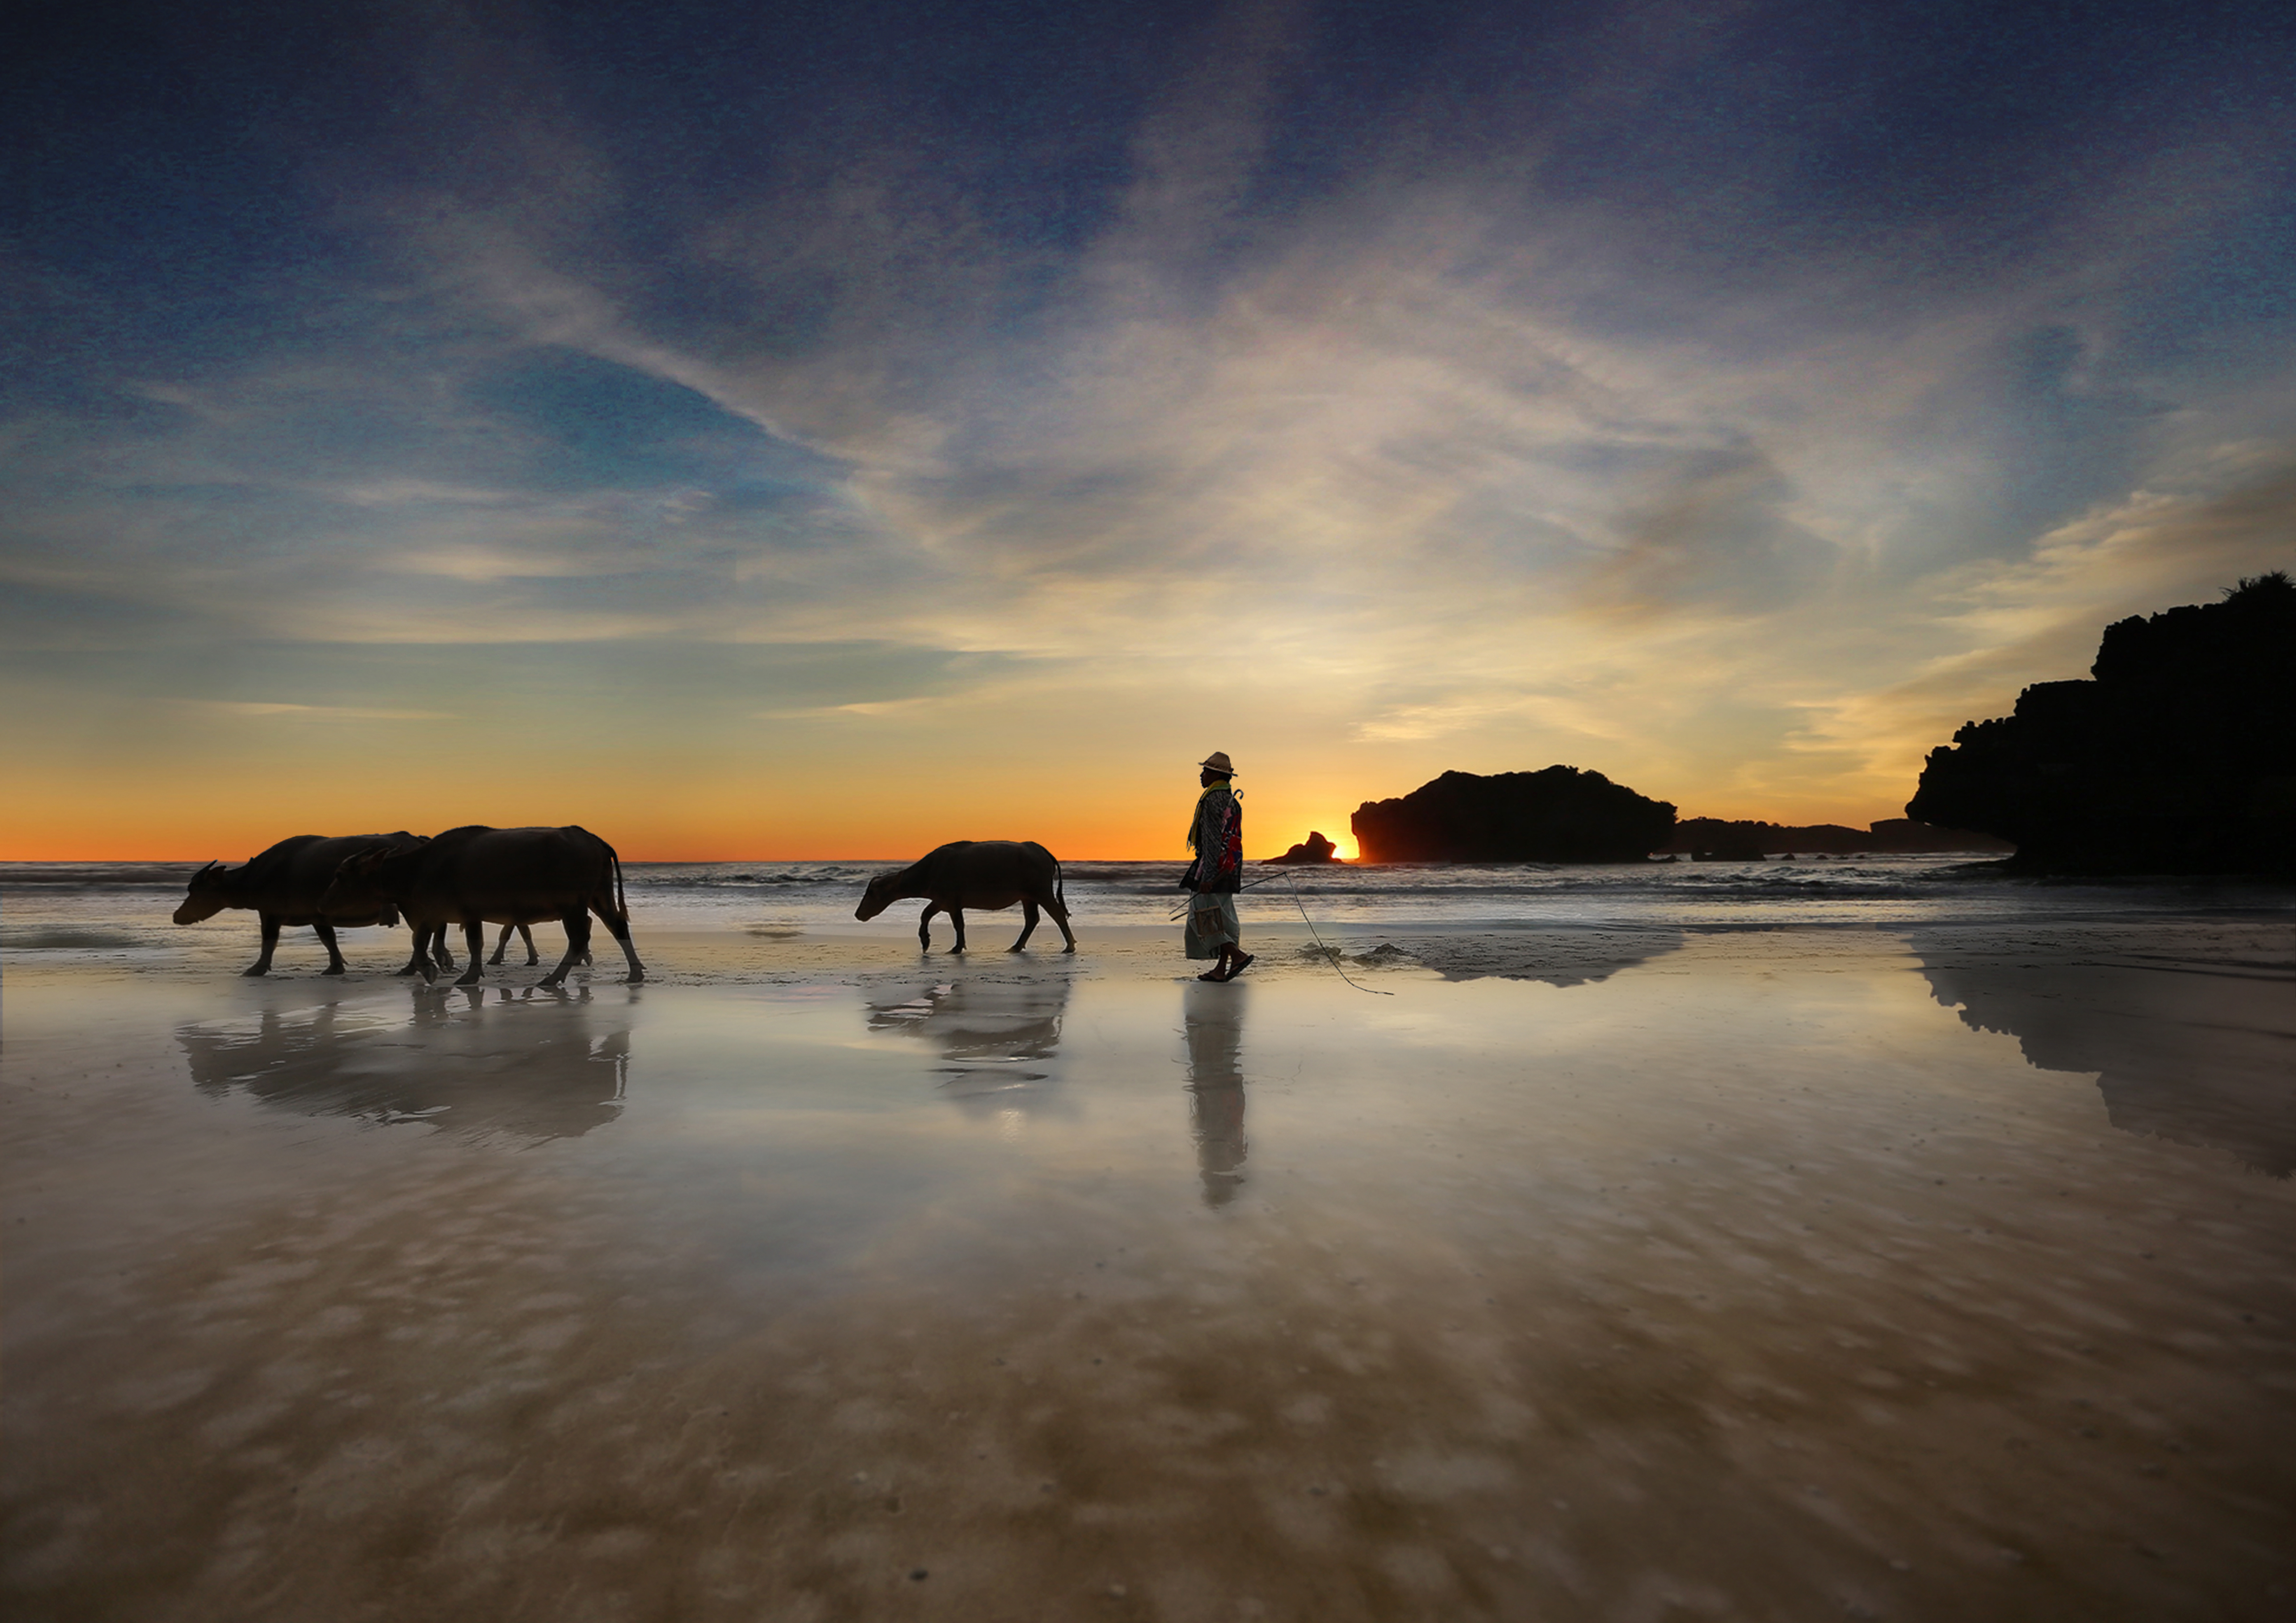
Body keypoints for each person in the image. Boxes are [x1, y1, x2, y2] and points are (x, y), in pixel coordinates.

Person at [1183, 751, 1252, 982]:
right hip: (1230, 864)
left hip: (1213, 866)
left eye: (1205, 771)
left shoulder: (1212, 800)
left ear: (1216, 774)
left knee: (1201, 915)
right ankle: (1221, 969)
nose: (1201, 775)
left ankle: (1237, 956)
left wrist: (1208, 877)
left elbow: (1212, 841)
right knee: (1223, 916)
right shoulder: (1232, 801)